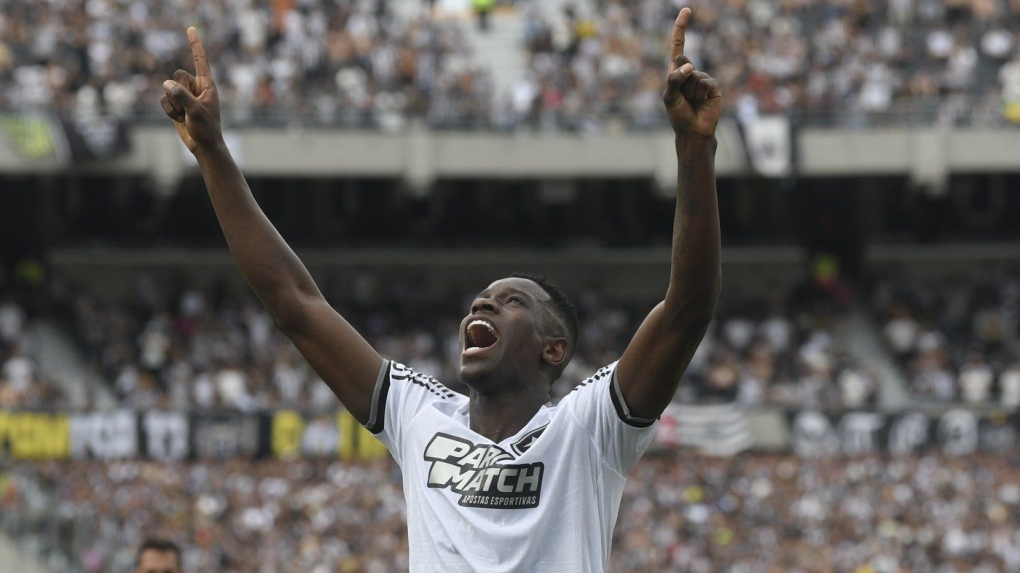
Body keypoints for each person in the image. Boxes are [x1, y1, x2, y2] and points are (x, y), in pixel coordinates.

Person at [159, 6, 720, 571]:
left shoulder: (587, 430)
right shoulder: (421, 415)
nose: (484, 303)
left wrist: (693, 148)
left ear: (554, 349)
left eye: (512, 302)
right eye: (482, 299)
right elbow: (296, 306)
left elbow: (686, 311)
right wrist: (212, 153)